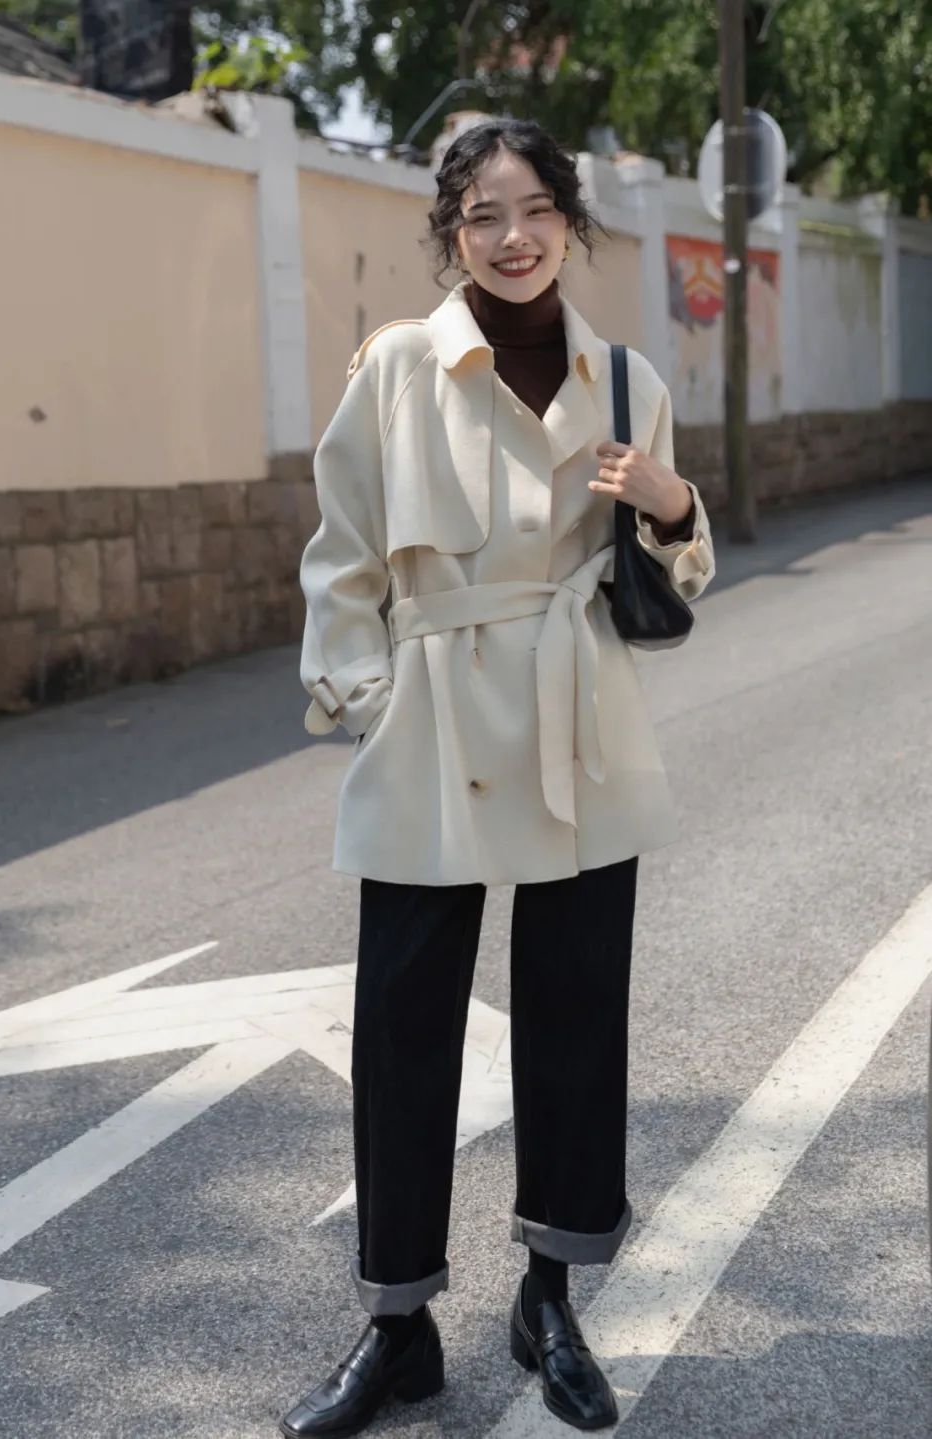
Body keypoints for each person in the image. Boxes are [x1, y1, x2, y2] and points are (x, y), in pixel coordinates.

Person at [279, 117, 716, 1438]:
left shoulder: (627, 379)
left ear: (570, 224)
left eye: (534, 210)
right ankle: (397, 1326)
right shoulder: (400, 367)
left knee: (576, 1020)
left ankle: (550, 1302)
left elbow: (672, 576)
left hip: (581, 720)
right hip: (435, 724)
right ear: (452, 233)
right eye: (483, 215)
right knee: (403, 1026)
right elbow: (343, 552)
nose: (512, 237)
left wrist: (673, 502)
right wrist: (370, 704)